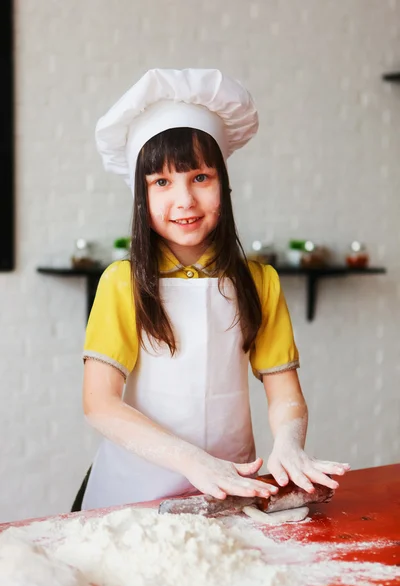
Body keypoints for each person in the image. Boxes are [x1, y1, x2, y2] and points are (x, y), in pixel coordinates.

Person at [73, 68, 350, 512]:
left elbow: (284, 393)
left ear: (224, 183)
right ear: (141, 199)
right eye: (161, 182)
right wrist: (191, 461)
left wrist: (289, 445)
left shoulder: (259, 282)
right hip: (134, 495)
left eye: (200, 177)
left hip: (232, 484)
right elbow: (99, 403)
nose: (184, 200)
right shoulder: (121, 283)